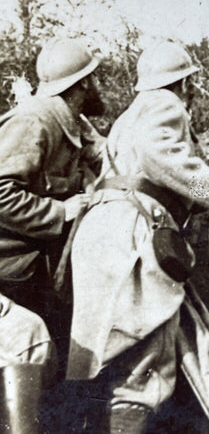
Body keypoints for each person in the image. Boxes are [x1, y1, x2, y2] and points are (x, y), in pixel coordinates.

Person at [67, 41, 209, 433]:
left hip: (100, 230)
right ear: (182, 83)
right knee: (144, 370)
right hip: (133, 233)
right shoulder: (167, 105)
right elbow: (156, 154)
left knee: (103, 358)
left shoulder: (130, 114)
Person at [0, 37, 106, 433]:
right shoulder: (34, 121)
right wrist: (61, 211)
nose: (97, 88)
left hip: (39, 272)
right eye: (92, 81)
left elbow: (112, 156)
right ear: (80, 86)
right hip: (11, 272)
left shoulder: (72, 122)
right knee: (27, 352)